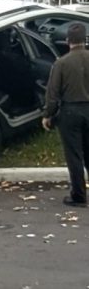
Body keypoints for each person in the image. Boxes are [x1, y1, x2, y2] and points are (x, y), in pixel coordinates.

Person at [42, 23, 89, 207]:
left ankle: (78, 195)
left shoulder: (61, 63)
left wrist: (48, 115)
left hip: (71, 112)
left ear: (68, 41)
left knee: (74, 155)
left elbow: (53, 93)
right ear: (85, 40)